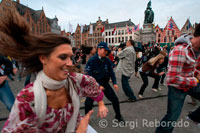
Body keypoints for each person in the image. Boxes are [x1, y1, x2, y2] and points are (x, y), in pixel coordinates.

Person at [0, 10, 108, 132]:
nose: (70, 63)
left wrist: (101, 103)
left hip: (77, 125)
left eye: (70, 57)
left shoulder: (75, 80)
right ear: (43, 58)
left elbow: (92, 85)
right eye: (63, 57)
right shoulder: (27, 99)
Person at [156, 24, 200, 133]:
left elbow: (192, 67)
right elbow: (172, 79)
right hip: (177, 88)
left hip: (189, 83)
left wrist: (197, 73)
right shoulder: (180, 50)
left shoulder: (197, 50)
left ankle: (195, 117)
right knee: (172, 118)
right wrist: (196, 80)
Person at [85, 42, 125, 122]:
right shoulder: (92, 61)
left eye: (107, 51)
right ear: (99, 49)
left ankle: (118, 115)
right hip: (93, 84)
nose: (106, 52)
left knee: (115, 100)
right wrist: (98, 85)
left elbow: (111, 72)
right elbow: (89, 76)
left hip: (104, 83)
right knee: (88, 103)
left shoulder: (107, 60)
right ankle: (86, 119)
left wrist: (114, 83)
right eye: (104, 50)